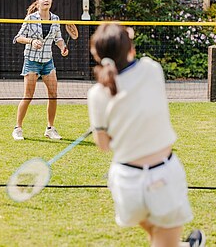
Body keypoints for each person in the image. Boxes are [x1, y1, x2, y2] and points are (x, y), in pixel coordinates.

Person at [87, 23, 205, 247]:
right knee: (163, 240)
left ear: (97, 55)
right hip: (162, 177)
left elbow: (103, 145)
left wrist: (109, 127)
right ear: (130, 48)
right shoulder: (152, 70)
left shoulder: (96, 94)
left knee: (157, 234)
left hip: (125, 182)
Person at [12, 0, 68, 141]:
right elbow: (18, 37)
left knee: (53, 95)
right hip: (31, 61)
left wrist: (62, 47)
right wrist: (31, 41)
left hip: (47, 62)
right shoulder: (30, 18)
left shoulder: (55, 19)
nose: (46, 0)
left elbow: (58, 38)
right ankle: (18, 128)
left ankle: (50, 128)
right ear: (38, 2)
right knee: (28, 96)